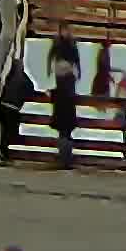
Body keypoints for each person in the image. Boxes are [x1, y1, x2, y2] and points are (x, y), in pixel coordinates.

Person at [48, 40, 82, 170]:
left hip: (60, 113)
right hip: (68, 114)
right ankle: (66, 160)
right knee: (66, 135)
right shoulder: (69, 83)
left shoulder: (60, 84)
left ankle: (63, 159)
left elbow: (57, 93)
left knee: (63, 135)